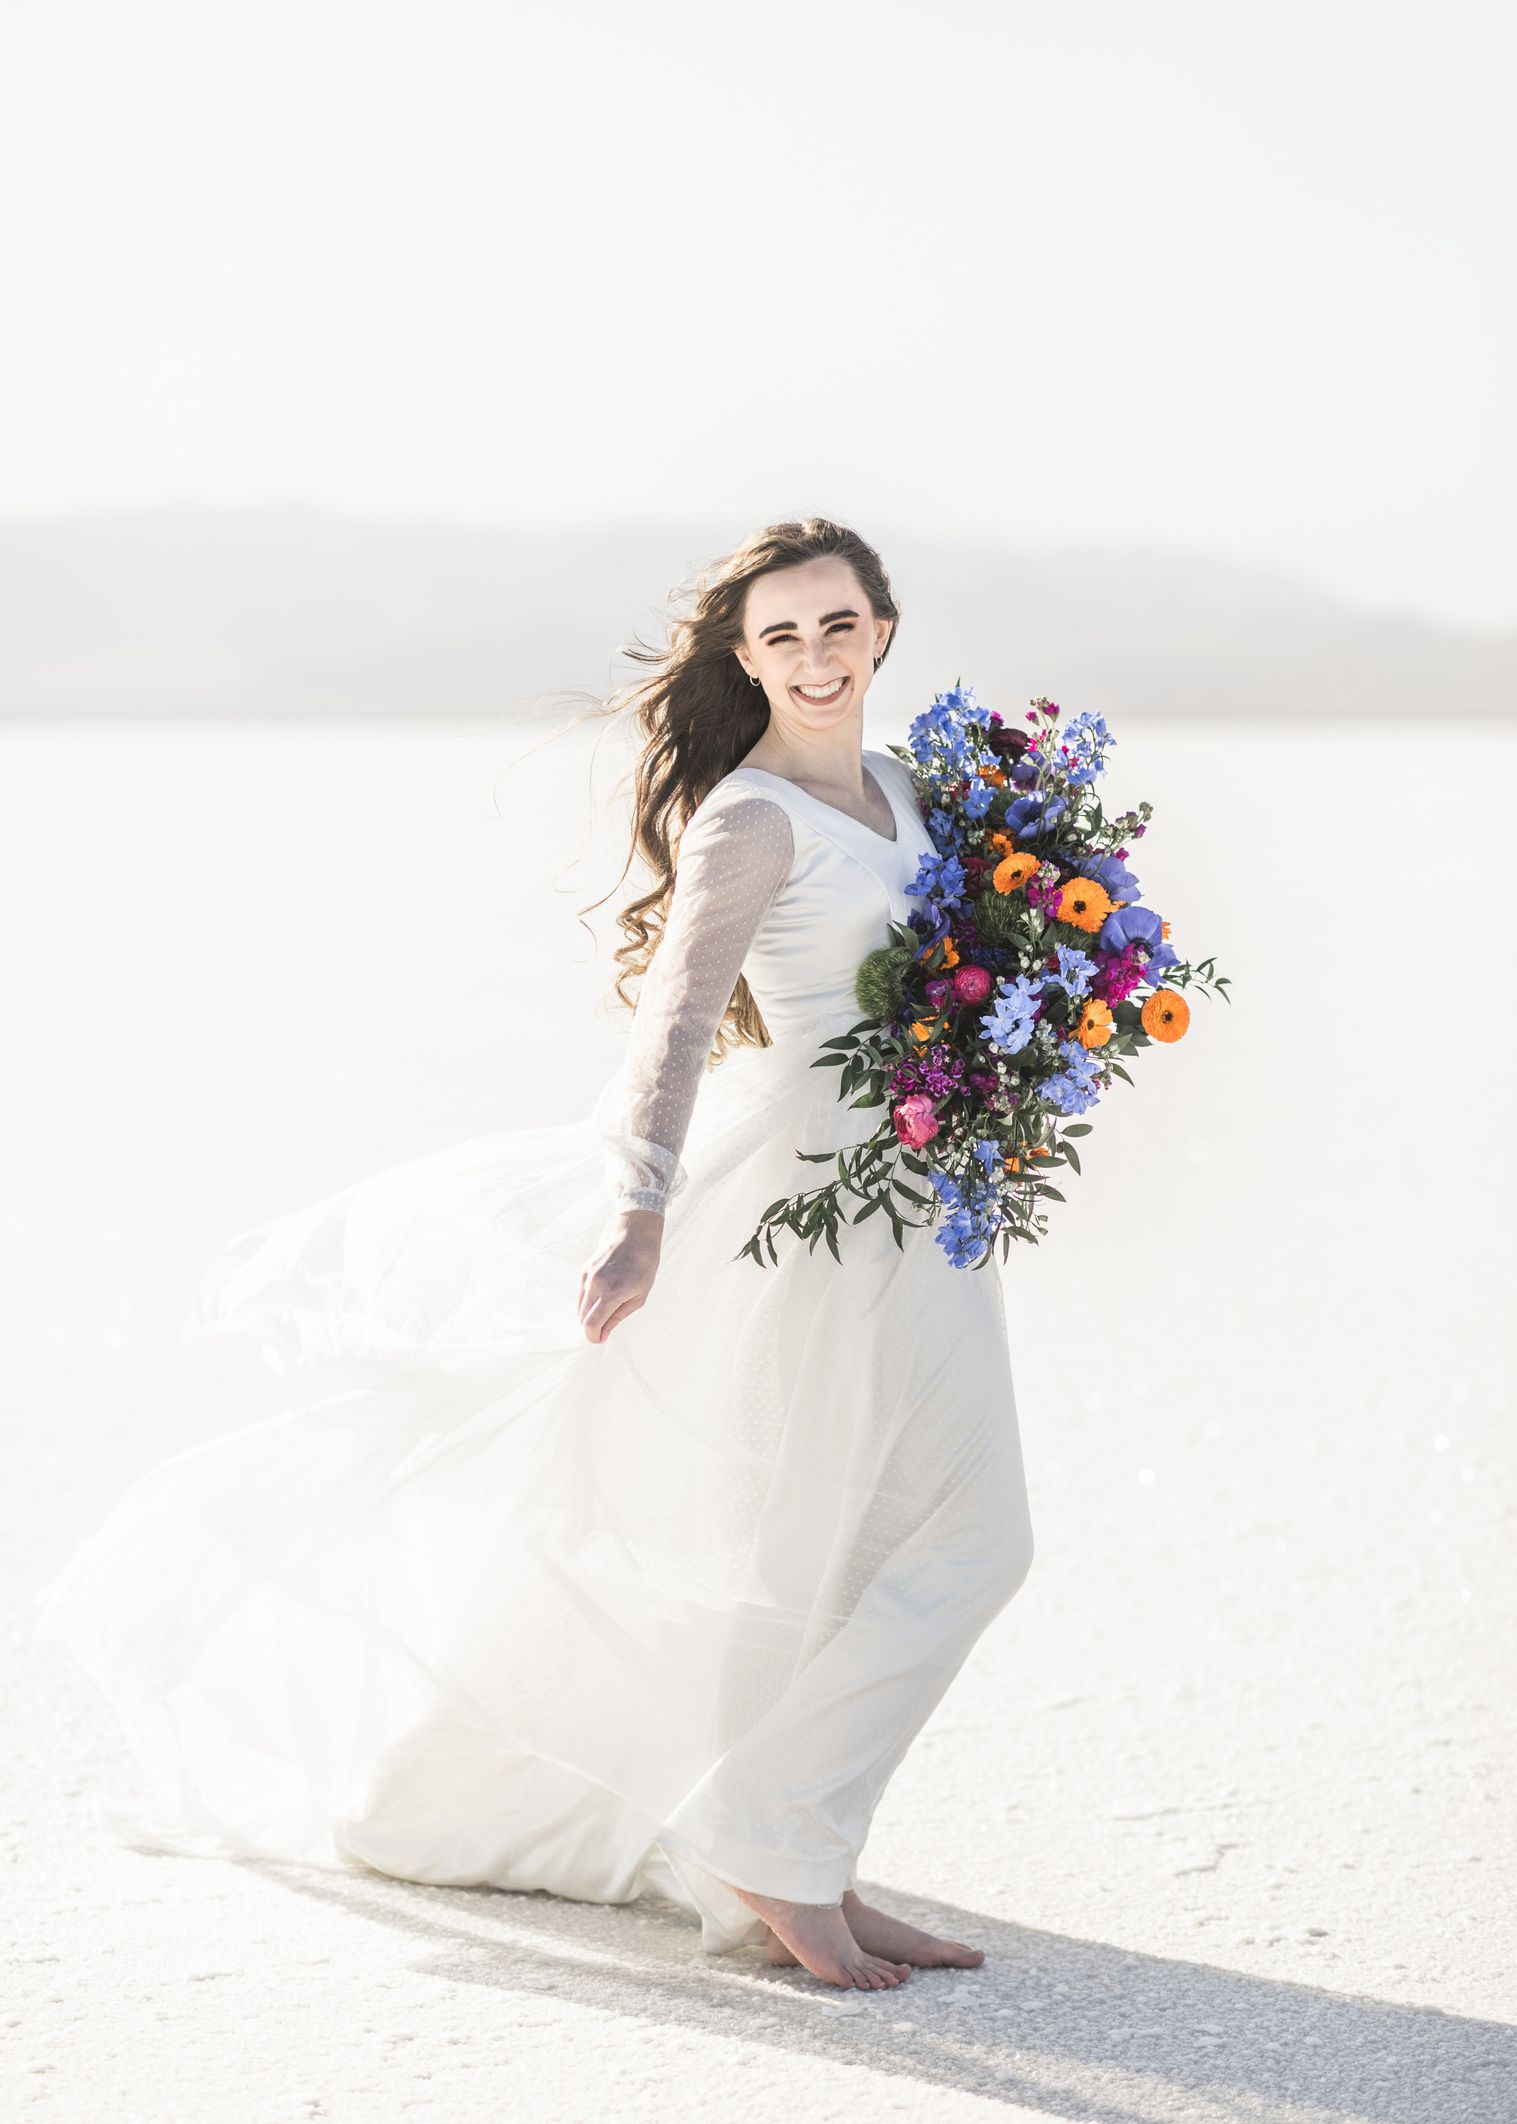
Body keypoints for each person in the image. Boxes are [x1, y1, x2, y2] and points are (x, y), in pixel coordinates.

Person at [33, 516, 1035, 1995]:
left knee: (875, 1536)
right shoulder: (750, 819)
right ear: (745, 658)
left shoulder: (905, 787)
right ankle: (770, 1842)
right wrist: (636, 1213)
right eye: (781, 637)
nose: (814, 659)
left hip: (924, 1189)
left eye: (836, 626)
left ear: (882, 628)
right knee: (961, 1535)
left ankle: (792, 1842)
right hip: (807, 1198)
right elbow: (677, 1024)